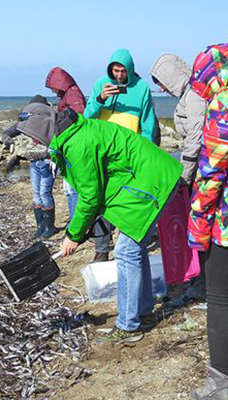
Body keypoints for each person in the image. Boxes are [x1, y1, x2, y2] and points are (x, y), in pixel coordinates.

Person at [16, 102, 182, 343]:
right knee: (134, 249)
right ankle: (143, 313)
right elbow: (94, 187)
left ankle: (128, 326)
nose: (33, 142)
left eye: (33, 136)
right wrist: (82, 229)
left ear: (43, 129)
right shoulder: (71, 135)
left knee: (126, 251)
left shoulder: (77, 144)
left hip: (151, 181)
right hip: (144, 178)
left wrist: (73, 235)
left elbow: (90, 196)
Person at [84, 48, 158, 262]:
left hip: (128, 155)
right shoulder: (101, 85)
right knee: (99, 201)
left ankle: (127, 242)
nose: (118, 76)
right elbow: (87, 117)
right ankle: (101, 249)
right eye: (115, 71)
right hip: (103, 153)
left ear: (130, 69)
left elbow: (148, 123)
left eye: (122, 71)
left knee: (125, 199)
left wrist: (146, 154)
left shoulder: (142, 88)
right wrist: (100, 98)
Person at [186, 43, 228, 400]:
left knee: (220, 297)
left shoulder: (224, 103)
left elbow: (213, 172)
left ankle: (221, 383)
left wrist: (197, 226)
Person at [150, 53, 208, 307]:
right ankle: (201, 284)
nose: (161, 88)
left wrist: (184, 174)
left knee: (203, 227)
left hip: (204, 171)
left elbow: (196, 138)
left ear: (172, 77)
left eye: (161, 82)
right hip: (202, 168)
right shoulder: (189, 94)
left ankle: (203, 288)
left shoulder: (195, 96)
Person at [3, 95, 59, 238]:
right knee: (36, 193)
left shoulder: (51, 122)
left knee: (44, 192)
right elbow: (12, 130)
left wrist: (44, 155)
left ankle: (49, 227)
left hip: (47, 163)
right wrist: (6, 138)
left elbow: (56, 146)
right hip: (34, 161)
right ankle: (40, 226)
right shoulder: (29, 120)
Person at [45, 67, 87, 222]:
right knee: (69, 189)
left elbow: (78, 118)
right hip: (68, 144)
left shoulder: (73, 94)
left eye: (53, 88)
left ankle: (76, 223)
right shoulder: (68, 94)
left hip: (73, 146)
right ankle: (74, 220)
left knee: (72, 189)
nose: (53, 92)